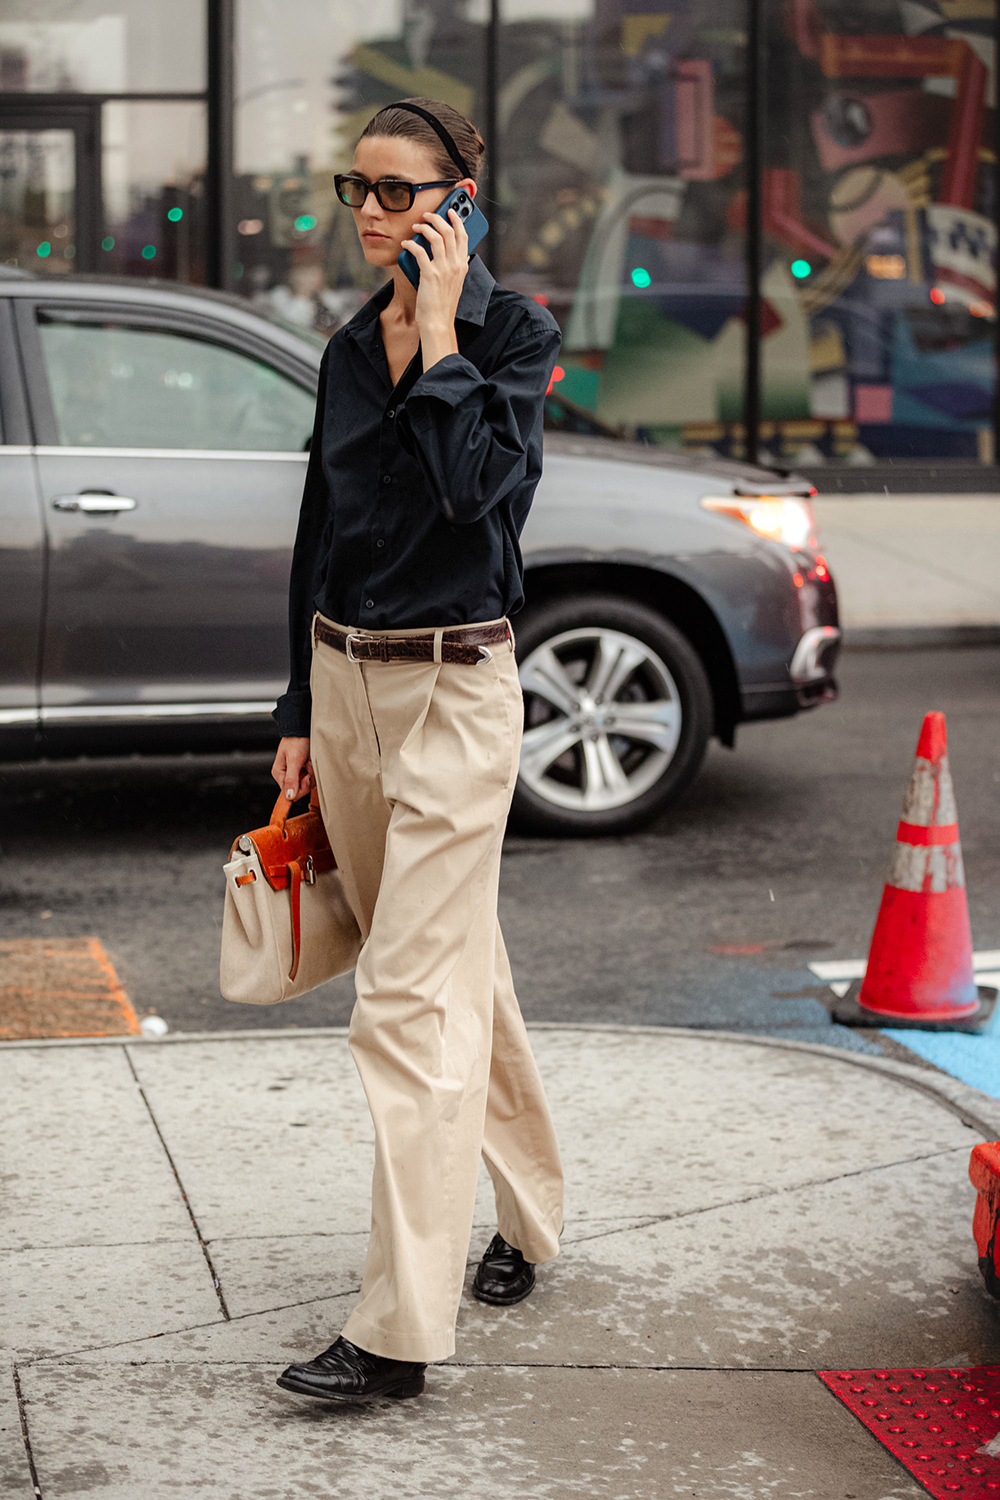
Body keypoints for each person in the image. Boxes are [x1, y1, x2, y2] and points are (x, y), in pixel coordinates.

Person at [269, 96, 565, 1405]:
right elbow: (318, 535)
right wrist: (292, 712)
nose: (376, 215)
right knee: (457, 977)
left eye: (403, 192)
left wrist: (438, 334)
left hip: (452, 696)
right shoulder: (342, 344)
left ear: (460, 197)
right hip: (345, 693)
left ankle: (397, 1333)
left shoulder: (512, 337)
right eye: (360, 190)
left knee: (401, 1010)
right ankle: (536, 1215)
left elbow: (472, 495)